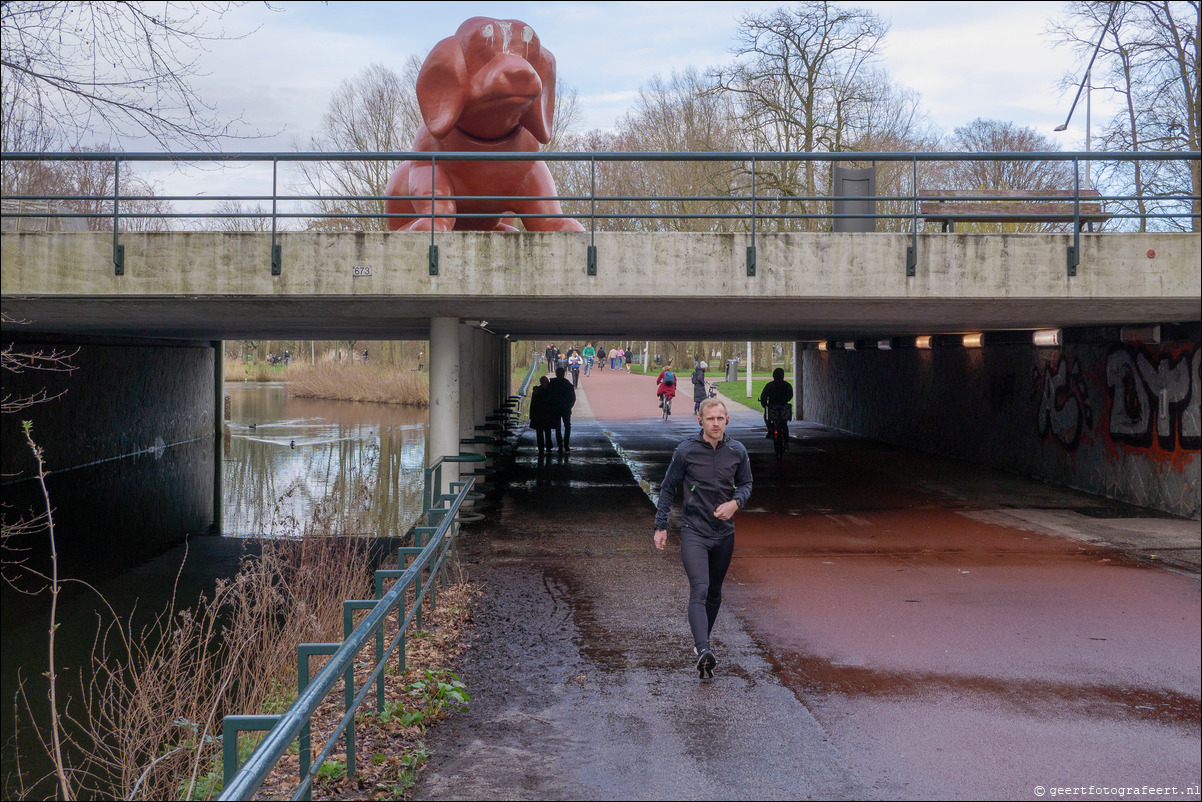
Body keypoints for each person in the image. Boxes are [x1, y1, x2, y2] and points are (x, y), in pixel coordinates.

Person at [653, 398, 753, 679]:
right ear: (701, 420)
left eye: (721, 418)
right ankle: (703, 647)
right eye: (711, 419)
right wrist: (661, 526)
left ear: (727, 420)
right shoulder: (685, 451)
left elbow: (746, 483)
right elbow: (668, 487)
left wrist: (736, 503)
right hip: (694, 531)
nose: (716, 423)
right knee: (700, 587)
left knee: (714, 593)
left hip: (724, 534)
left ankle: (702, 650)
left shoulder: (737, 451)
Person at [758, 368, 794, 441]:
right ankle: (786, 441)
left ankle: (770, 430)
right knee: (784, 423)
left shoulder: (770, 385)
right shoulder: (787, 385)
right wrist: (785, 400)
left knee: (767, 418)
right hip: (783, 406)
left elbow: (764, 396)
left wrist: (764, 405)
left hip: (772, 406)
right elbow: (790, 395)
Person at [546, 366, 577, 452]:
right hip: (565, 409)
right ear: (564, 374)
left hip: (555, 409)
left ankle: (560, 446)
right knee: (567, 426)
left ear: (556, 374)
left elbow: (548, 396)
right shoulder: (568, 384)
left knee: (557, 427)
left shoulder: (552, 384)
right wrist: (569, 406)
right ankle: (566, 445)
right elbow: (573, 398)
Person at [529, 375, 558, 456]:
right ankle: (546, 447)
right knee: (545, 432)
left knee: (543, 432)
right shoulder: (549, 390)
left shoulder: (538, 391)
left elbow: (533, 404)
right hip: (543, 414)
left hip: (542, 414)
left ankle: (543, 448)